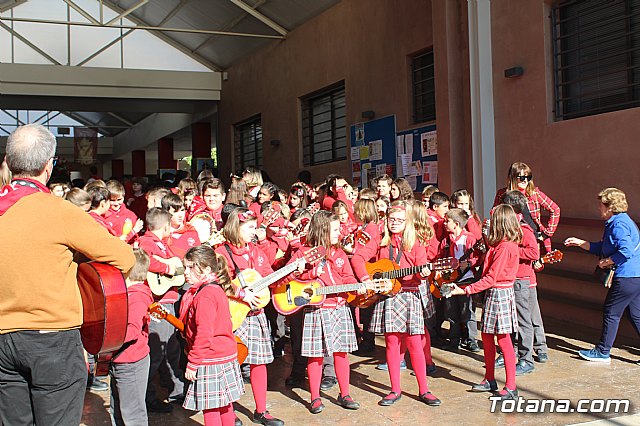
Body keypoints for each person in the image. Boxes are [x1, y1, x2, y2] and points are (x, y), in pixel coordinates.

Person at [0, 124, 135, 426]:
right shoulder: (58, 211)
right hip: (52, 339)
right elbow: (124, 257)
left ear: (7, 163)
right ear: (49, 166)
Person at [283, 210, 361, 414]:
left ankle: (345, 393)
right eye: (335, 229)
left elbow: (348, 278)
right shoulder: (303, 252)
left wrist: (357, 286)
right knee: (315, 356)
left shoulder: (340, 253)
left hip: (339, 308)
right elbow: (286, 279)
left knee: (341, 353)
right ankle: (315, 397)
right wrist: (309, 272)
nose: (339, 233)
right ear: (323, 230)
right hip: (316, 310)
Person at [215, 207, 284, 426]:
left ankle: (261, 411)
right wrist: (241, 294)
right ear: (237, 226)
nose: (255, 232)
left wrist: (293, 270)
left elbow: (270, 277)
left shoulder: (255, 251)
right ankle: (228, 411)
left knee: (259, 363)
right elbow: (219, 282)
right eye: (251, 227)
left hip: (256, 315)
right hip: (233, 315)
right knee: (231, 363)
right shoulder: (221, 252)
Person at [371, 201, 441, 407]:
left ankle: (424, 389)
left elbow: (420, 271)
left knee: (414, 343)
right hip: (389, 295)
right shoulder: (381, 242)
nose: (394, 223)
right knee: (392, 342)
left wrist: (424, 272)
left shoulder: (415, 243)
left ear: (407, 222)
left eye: (399, 220)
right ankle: (395, 390)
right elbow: (364, 261)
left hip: (409, 295)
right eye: (391, 219)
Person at [449, 204, 521, 400]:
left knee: (504, 340)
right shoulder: (498, 245)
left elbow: (491, 278)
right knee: (487, 336)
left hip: (500, 294)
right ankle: (489, 378)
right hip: (493, 294)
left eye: (492, 220)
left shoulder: (505, 247)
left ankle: (511, 386)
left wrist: (464, 290)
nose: (488, 225)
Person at [565, 187, 640, 363]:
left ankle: (602, 352)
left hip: (627, 277)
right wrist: (580, 243)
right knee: (636, 314)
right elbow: (603, 247)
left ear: (610, 207)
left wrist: (607, 262)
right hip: (635, 276)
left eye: (601, 205)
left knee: (611, 312)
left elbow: (626, 251)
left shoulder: (618, 225)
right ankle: (603, 350)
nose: (599, 208)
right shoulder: (620, 221)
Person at [180, 245, 245, 426]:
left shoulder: (205, 295)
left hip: (211, 359)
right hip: (224, 355)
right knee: (225, 405)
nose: (186, 272)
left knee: (211, 409)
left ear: (207, 269)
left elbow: (204, 334)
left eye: (190, 267)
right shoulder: (215, 289)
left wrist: (193, 363)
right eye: (185, 267)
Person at [138, 208, 186, 413]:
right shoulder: (147, 242)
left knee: (170, 350)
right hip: (159, 305)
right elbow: (145, 260)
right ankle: (148, 397)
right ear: (165, 226)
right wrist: (168, 269)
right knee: (158, 353)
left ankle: (177, 389)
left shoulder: (161, 244)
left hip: (168, 302)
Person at [109, 248, 153, 426]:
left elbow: (132, 330)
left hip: (131, 362)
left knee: (133, 414)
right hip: (120, 358)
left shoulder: (138, 298)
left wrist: (107, 341)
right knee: (118, 410)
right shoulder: (130, 295)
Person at [493, 162, 560, 254]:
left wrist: (547, 233)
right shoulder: (503, 194)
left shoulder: (534, 193)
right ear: (512, 178)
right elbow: (495, 214)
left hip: (532, 238)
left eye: (528, 178)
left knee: (533, 266)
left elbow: (555, 209)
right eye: (522, 178)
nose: (525, 181)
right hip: (511, 238)